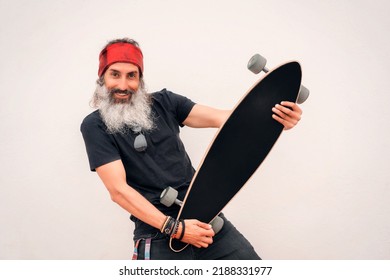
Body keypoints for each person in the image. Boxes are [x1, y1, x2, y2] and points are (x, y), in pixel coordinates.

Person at [80, 38, 302, 260]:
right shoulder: (95, 126)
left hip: (208, 221)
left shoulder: (165, 102)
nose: (123, 85)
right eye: (115, 74)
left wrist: (275, 116)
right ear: (102, 79)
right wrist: (176, 229)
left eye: (132, 75)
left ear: (140, 79)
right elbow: (118, 191)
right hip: (157, 234)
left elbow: (228, 119)